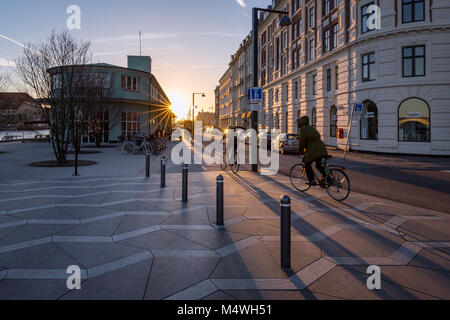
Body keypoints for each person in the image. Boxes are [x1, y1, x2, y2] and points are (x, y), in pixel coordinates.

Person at [297, 116, 328, 186]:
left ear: (301, 122)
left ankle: (312, 180)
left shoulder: (303, 129)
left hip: (314, 150)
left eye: (299, 122)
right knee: (318, 165)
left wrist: (300, 151)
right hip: (322, 148)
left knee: (307, 164)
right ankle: (327, 178)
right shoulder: (311, 127)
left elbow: (302, 141)